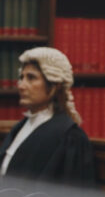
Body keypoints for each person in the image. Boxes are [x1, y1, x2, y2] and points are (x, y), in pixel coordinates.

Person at [0, 47, 95, 186]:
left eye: (31, 78)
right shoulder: (19, 128)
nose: (21, 85)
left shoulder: (70, 137)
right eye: (21, 77)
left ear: (55, 85)